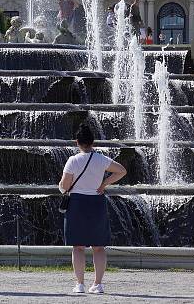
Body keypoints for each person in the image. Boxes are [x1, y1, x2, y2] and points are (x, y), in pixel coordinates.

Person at [59, 123, 127, 294]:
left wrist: (61, 185)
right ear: (92, 142)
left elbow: (65, 185)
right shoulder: (101, 159)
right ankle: (97, 284)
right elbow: (121, 171)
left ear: (77, 142)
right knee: (99, 246)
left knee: (78, 246)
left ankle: (80, 284)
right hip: (96, 203)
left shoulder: (73, 160)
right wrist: (104, 183)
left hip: (77, 204)